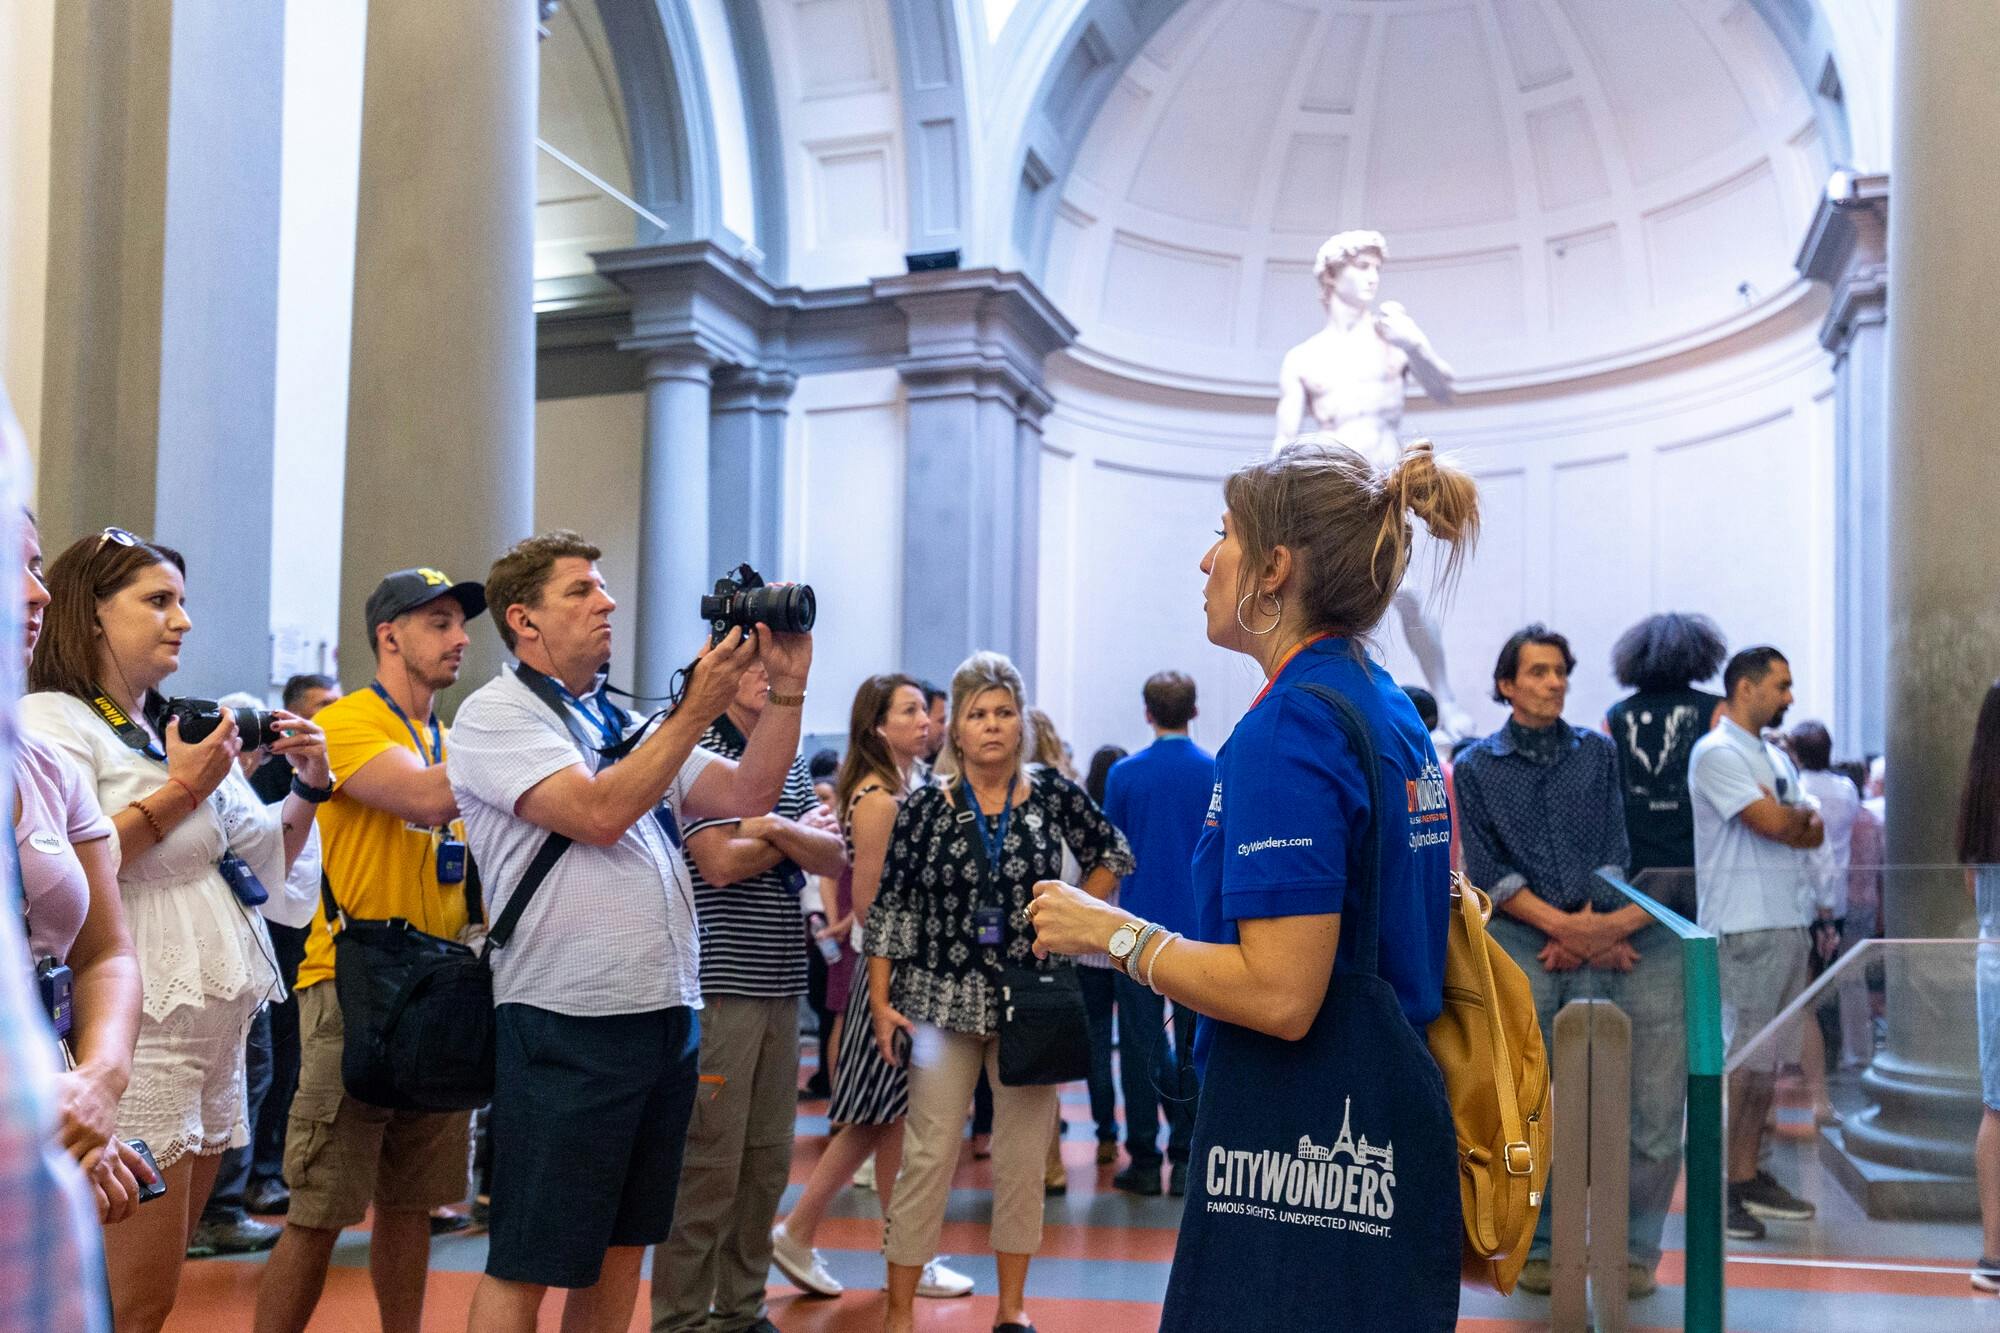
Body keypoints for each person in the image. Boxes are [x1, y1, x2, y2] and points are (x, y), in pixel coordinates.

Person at [1029, 439, 1475, 1330]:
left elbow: (1280, 993)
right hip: (1378, 1130)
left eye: (1223, 534)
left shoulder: (1291, 728)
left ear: (1274, 568)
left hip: (1297, 1150)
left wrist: (1109, 931)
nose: (1206, 558)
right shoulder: (1380, 702)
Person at [445, 531, 811, 1333]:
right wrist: (694, 711)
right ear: (524, 619)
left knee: (622, 1249)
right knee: (532, 1256)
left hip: (663, 1014)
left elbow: (750, 786)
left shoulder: (618, 715)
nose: (607, 602)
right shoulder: (493, 715)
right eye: (580, 591)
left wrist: (787, 689)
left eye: (603, 588)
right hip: (566, 1021)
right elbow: (601, 813)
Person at [22, 527, 331, 1332]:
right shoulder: (52, 722)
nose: (182, 620)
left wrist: (307, 789)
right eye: (158, 601)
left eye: (183, 602)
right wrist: (188, 788)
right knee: (128, 1294)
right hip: (138, 1029)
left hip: (211, 1028)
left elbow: (260, 858)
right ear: (91, 616)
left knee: (158, 1293)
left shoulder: (166, 724)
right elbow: (71, 872)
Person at [867, 652, 1134, 1333]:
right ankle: (899, 1309)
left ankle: (1012, 1307)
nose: (992, 726)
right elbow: (890, 905)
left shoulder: (1052, 792)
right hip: (937, 1001)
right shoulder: (926, 804)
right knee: (928, 1153)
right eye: (977, 714)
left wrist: (1072, 921)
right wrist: (878, 1000)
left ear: (1021, 721)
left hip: (1032, 1000)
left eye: (1004, 712)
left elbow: (1113, 850)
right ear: (954, 727)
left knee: (1020, 1159)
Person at [253, 567, 488, 1333]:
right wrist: (522, 746)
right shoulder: (350, 721)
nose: (460, 639)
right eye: (440, 622)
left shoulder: (447, 739)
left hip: (439, 986)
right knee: (318, 1207)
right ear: (389, 635)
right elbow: (423, 797)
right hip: (351, 985)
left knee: (413, 1204)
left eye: (461, 623)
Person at [1453, 623, 1680, 1299]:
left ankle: (1633, 1247)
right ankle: (1542, 1241)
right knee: (1532, 1102)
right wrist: (1565, 927)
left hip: (1599, 925)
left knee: (1636, 1100)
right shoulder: (1475, 766)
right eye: (1539, 671)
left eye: (1561, 671)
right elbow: (1489, 869)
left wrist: (1592, 924)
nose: (1554, 682)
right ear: (1507, 684)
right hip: (1526, 938)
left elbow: (1615, 840)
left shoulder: (1597, 754)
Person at [650, 661, 846, 1333]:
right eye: (757, 666)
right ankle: (680, 1316)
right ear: (724, 673)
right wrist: (792, 835)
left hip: (782, 979)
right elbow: (720, 862)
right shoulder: (703, 749)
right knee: (708, 1163)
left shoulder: (783, 757)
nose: (769, 678)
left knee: (766, 1161)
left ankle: (741, 1307)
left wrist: (769, 829)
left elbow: (832, 856)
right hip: (719, 984)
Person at [770, 674, 974, 1304]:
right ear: (878, 726)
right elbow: (869, 903)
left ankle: (903, 1250)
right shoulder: (880, 797)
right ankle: (799, 1230)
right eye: (910, 711)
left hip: (902, 972)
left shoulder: (906, 787)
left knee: (890, 1119)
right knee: (868, 1118)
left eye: (925, 710)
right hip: (887, 976)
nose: (926, 721)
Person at [14, 508, 151, 1227]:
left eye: (38, 567)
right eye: (14, 563)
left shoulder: (39, 762)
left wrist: (96, 1079)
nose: (38, 593)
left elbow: (104, 951)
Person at [1690, 645, 1826, 1241]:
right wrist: (1793, 817)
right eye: (1781, 685)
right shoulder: (1715, 752)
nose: (1789, 698)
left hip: (1786, 921)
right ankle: (1718, 1186)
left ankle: (1747, 1175)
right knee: (1740, 1065)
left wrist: (1794, 817)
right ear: (1745, 687)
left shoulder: (1772, 755)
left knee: (1767, 1068)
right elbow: (1774, 824)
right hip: (1744, 925)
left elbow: (1811, 832)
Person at [1100, 672, 1213, 1197]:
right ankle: (1188, 1158)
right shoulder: (1215, 771)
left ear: (1147, 713)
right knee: (1192, 1048)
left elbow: (1113, 853)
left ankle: (1142, 1158)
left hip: (1137, 932)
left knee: (1141, 1047)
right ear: (1194, 711)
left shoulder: (1123, 775)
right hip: (1199, 932)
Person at [1605, 612, 1727, 921]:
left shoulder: (1615, 716)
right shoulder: (1717, 710)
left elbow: (1608, 792)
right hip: (1701, 862)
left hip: (1639, 864)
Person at [1788, 720, 1860, 1127]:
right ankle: (1816, 1094)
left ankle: (1814, 1095)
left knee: (1798, 1005)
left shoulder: (1798, 791)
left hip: (1807, 903)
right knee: (1811, 1001)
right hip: (1836, 901)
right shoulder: (1846, 789)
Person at [1958, 683, 2000, 1291]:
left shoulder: (1981, 794)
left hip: (1995, 960)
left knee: (1998, 1107)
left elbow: (1974, 889)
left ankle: (1994, 1252)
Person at [1078, 743, 1128, 1172]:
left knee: (1096, 1046)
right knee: (1139, 1044)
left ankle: (1105, 1135)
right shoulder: (1126, 823)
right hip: (1128, 947)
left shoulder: (1083, 822)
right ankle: (1168, 1127)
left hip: (1088, 955)